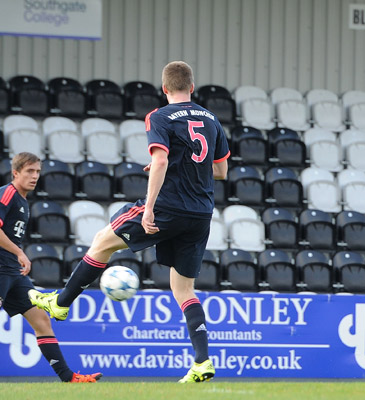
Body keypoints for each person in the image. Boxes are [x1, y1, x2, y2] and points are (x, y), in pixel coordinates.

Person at [29, 61, 230, 383]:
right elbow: (219, 171)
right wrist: (175, 167)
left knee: (101, 241)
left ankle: (61, 304)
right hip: (200, 213)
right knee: (184, 290)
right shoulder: (212, 119)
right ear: (192, 87)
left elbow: (161, 158)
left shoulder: (160, 116)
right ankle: (202, 363)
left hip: (168, 205)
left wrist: (149, 208)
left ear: (164, 88)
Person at [0, 153, 102, 383]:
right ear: (15, 173)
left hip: (13, 272)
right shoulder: (7, 193)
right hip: (2, 267)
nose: (35, 176)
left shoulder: (23, 201)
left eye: (37, 171)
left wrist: (16, 255)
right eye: (29, 171)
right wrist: (19, 252)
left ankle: (68, 378)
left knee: (42, 320)